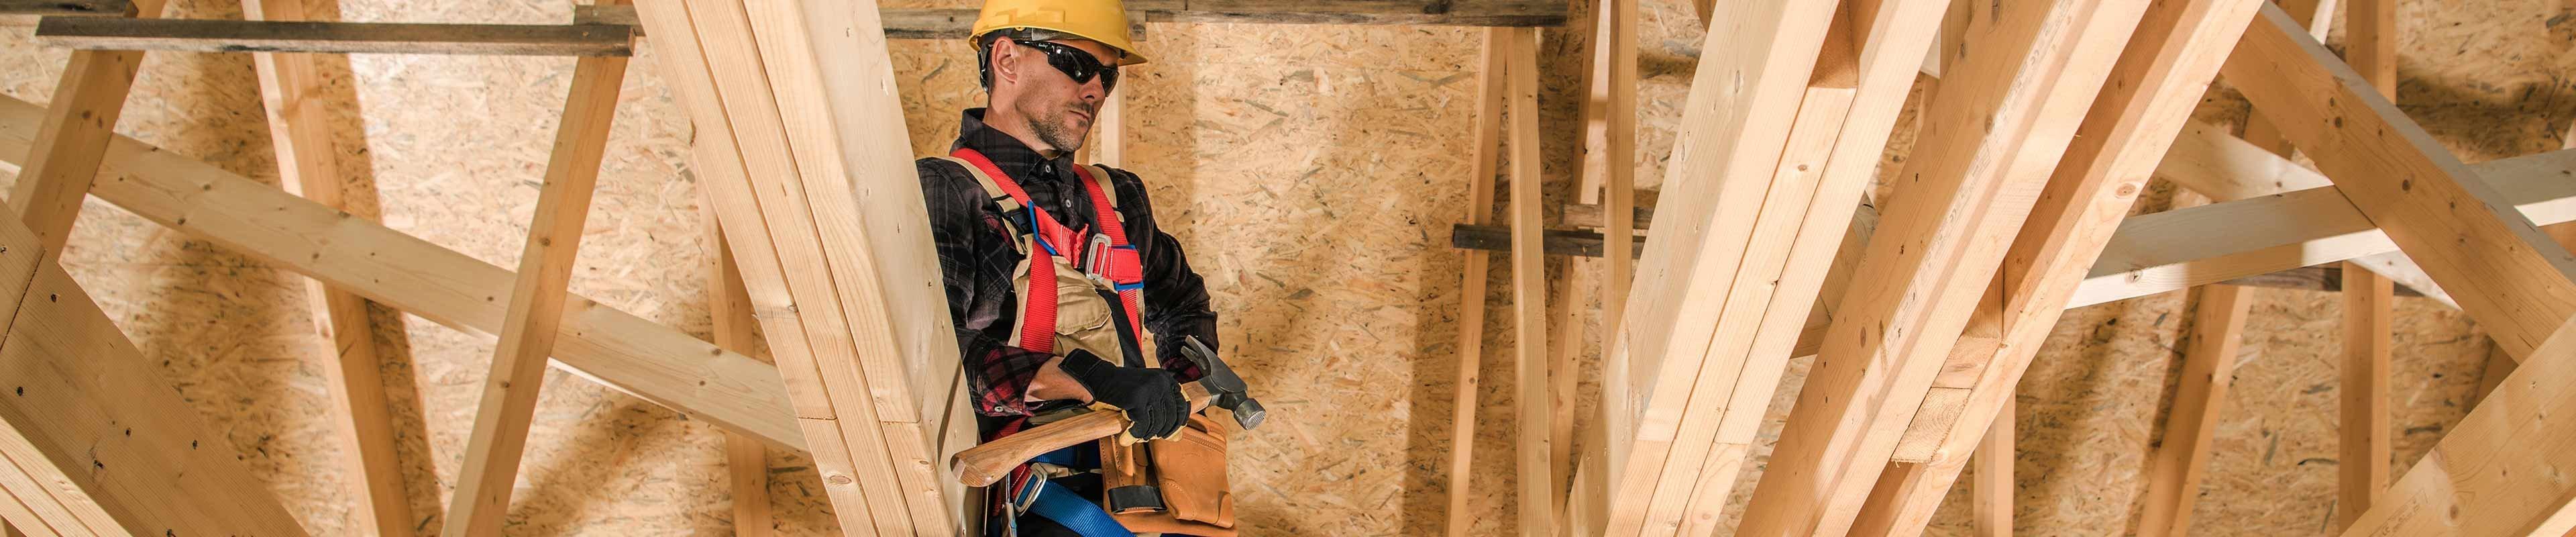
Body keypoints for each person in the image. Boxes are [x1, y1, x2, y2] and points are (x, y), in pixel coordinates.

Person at [916, 1, 1226, 534]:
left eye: (1107, 74)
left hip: (1140, 483)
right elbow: (937, 360)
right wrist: (1092, 378)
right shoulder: (947, 190)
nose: (1097, 90)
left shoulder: (1115, 195)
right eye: (1078, 64)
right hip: (1032, 494)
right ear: (1008, 61)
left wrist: (1176, 387)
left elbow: (1182, 302)